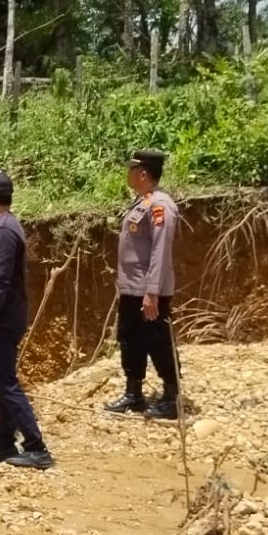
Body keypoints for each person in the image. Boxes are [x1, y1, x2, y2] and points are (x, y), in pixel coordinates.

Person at [0, 170, 53, 468]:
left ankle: (36, 446)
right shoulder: (1, 226)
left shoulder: (4, 230)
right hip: (2, 318)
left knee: (6, 383)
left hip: (2, 320)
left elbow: (1, 279)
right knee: (0, 380)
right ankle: (4, 443)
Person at [105, 149, 182, 420]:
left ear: (144, 173)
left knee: (158, 341)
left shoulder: (160, 205)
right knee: (130, 339)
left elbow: (160, 250)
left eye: (132, 169)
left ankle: (172, 396)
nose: (129, 173)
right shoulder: (142, 202)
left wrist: (152, 292)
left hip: (149, 291)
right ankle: (133, 392)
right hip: (131, 288)